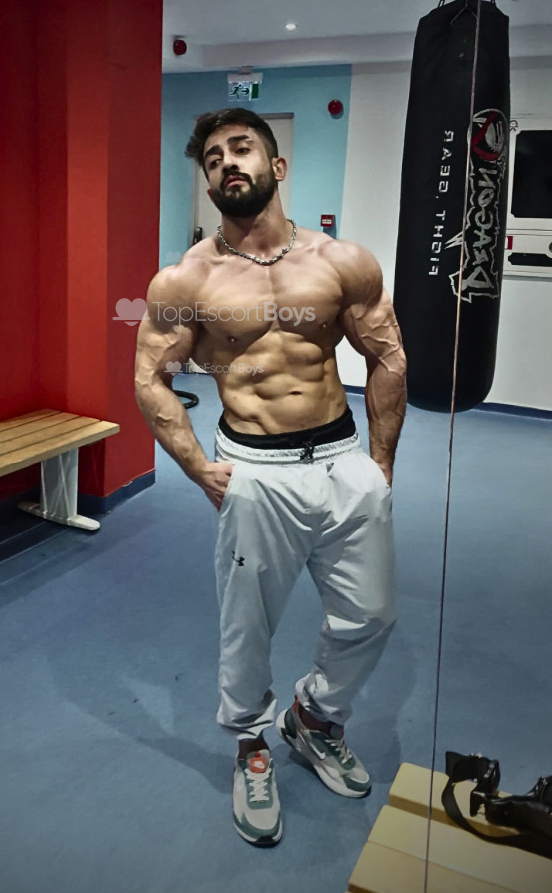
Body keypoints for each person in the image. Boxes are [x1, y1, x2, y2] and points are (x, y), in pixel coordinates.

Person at [135, 108, 406, 846]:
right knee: (246, 628)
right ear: (207, 182)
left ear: (276, 166)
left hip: (342, 459)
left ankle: (314, 718)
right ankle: (251, 745)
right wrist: (198, 467)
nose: (228, 162)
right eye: (213, 157)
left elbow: (387, 356)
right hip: (254, 469)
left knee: (372, 615)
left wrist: (380, 464)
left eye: (242, 148)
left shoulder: (342, 261)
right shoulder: (185, 278)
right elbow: (151, 376)